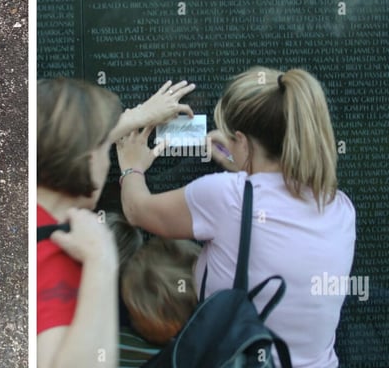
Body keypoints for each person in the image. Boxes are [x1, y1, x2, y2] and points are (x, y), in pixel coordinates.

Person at [115, 67, 355, 368]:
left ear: (241, 140)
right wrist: (245, 165)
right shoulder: (339, 206)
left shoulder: (227, 197)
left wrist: (132, 166)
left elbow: (138, 210)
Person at [37, 78, 195, 368]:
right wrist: (101, 263)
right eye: (103, 147)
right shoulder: (56, 256)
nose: (108, 160)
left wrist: (140, 116)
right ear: (88, 158)